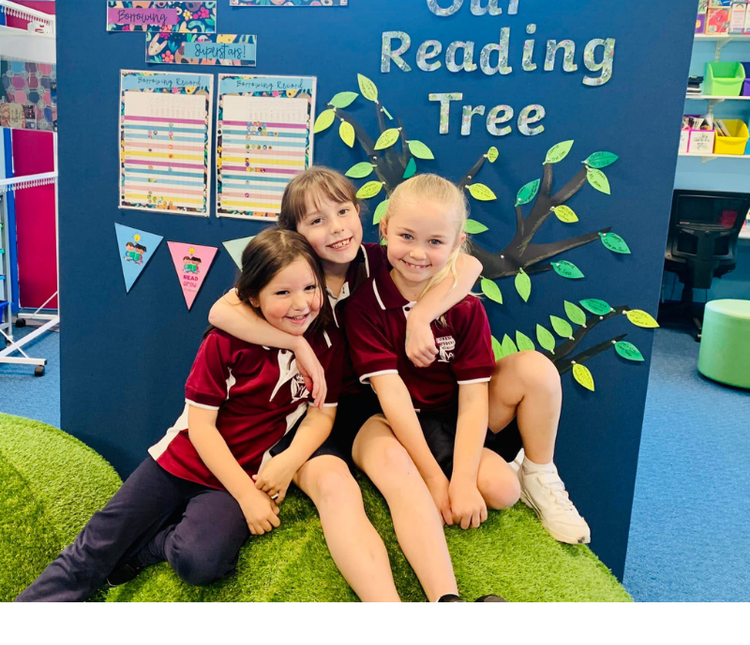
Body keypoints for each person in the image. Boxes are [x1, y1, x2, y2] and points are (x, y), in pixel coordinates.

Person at [17, 229, 401, 602]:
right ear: (251, 297)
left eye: (310, 288)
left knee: (202, 561)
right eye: (282, 292)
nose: (301, 304)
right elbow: (201, 428)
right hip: (180, 461)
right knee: (95, 547)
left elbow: (322, 414)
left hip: (236, 473)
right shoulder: (225, 342)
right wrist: (248, 497)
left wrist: (288, 461)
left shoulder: (326, 343)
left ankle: (151, 547)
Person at [208, 166, 501, 602]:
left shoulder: (381, 256)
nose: (336, 228)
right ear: (293, 232)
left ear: (364, 214)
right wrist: (298, 346)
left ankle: (448, 601)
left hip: (365, 407)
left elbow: (469, 263)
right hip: (302, 415)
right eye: (316, 220)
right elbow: (220, 311)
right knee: (337, 489)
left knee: (412, 472)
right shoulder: (287, 273)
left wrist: (421, 316)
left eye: (343, 211)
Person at [345, 173, 590, 548]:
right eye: (406, 236)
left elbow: (474, 397)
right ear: (385, 229)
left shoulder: (466, 306)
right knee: (487, 489)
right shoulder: (366, 303)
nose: (417, 253)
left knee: (504, 491)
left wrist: (461, 480)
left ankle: (538, 474)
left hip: (456, 415)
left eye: (435, 242)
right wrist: (434, 479)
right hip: (400, 420)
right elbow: (392, 398)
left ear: (457, 244)